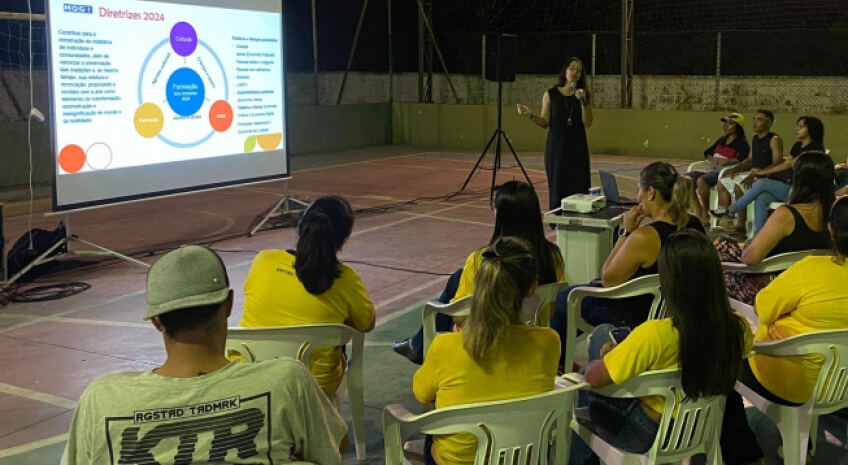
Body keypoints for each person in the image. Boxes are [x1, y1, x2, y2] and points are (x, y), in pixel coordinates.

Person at [62, 246, 348, 465]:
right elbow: (334, 448)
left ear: (157, 321)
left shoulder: (101, 400)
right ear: (228, 304)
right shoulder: (287, 381)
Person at [569, 230, 760, 465]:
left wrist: (610, 358)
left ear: (669, 280)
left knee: (579, 384)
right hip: (701, 427)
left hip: (645, 430)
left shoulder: (656, 334)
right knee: (603, 336)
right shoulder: (738, 328)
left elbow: (593, 378)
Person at [736, 196, 848, 426]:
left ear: (831, 230)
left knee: (726, 361)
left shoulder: (809, 270)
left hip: (786, 382)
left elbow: (763, 309)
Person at [413, 237, 559, 465]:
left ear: (479, 285)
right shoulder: (549, 342)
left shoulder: (445, 346)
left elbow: (422, 394)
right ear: (531, 289)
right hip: (523, 457)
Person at [550, 162, 706, 365]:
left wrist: (627, 232)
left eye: (639, 190)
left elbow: (608, 278)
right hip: (674, 309)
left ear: (650, 193)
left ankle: (560, 364)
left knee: (564, 299)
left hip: (636, 312)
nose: (638, 197)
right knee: (584, 294)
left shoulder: (645, 237)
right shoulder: (694, 224)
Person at [393, 181, 564, 364]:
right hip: (530, 337)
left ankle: (418, 347)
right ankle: (417, 346)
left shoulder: (481, 259)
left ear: (503, 215)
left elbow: (460, 317)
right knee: (458, 276)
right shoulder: (553, 256)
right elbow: (552, 309)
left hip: (481, 345)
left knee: (458, 279)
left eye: (494, 206)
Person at [241, 195, 375, 396]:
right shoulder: (346, 280)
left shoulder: (263, 261)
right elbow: (366, 323)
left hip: (253, 373)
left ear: (301, 227)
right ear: (344, 239)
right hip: (314, 386)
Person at [714, 151, 834, 306]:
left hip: (775, 287)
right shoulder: (834, 213)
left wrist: (748, 246)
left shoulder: (787, 216)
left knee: (718, 252)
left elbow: (750, 258)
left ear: (799, 180)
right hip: (811, 284)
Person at [518, 56, 593, 210]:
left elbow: (588, 122)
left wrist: (583, 102)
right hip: (557, 149)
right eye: (572, 68)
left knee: (579, 186)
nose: (575, 72)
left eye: (579, 71)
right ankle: (558, 221)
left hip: (577, 149)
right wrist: (530, 115)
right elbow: (545, 122)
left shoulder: (583, 95)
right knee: (558, 186)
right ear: (565, 71)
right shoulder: (550, 94)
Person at [711, 109, 784, 231]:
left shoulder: (774, 139)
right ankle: (726, 221)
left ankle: (740, 226)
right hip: (754, 174)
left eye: (759, 120)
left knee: (739, 186)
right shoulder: (754, 139)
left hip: (767, 177)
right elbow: (750, 160)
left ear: (769, 123)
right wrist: (736, 169)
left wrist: (756, 175)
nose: (755, 123)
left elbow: (777, 164)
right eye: (754, 119)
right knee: (722, 182)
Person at [685, 112, 750, 215]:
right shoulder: (722, 140)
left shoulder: (742, 143)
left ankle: (706, 212)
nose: (726, 126)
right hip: (710, 169)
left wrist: (728, 161)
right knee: (685, 180)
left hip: (722, 173)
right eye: (725, 123)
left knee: (702, 180)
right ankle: (699, 209)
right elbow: (707, 152)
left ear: (738, 127)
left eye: (730, 123)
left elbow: (743, 159)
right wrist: (711, 158)